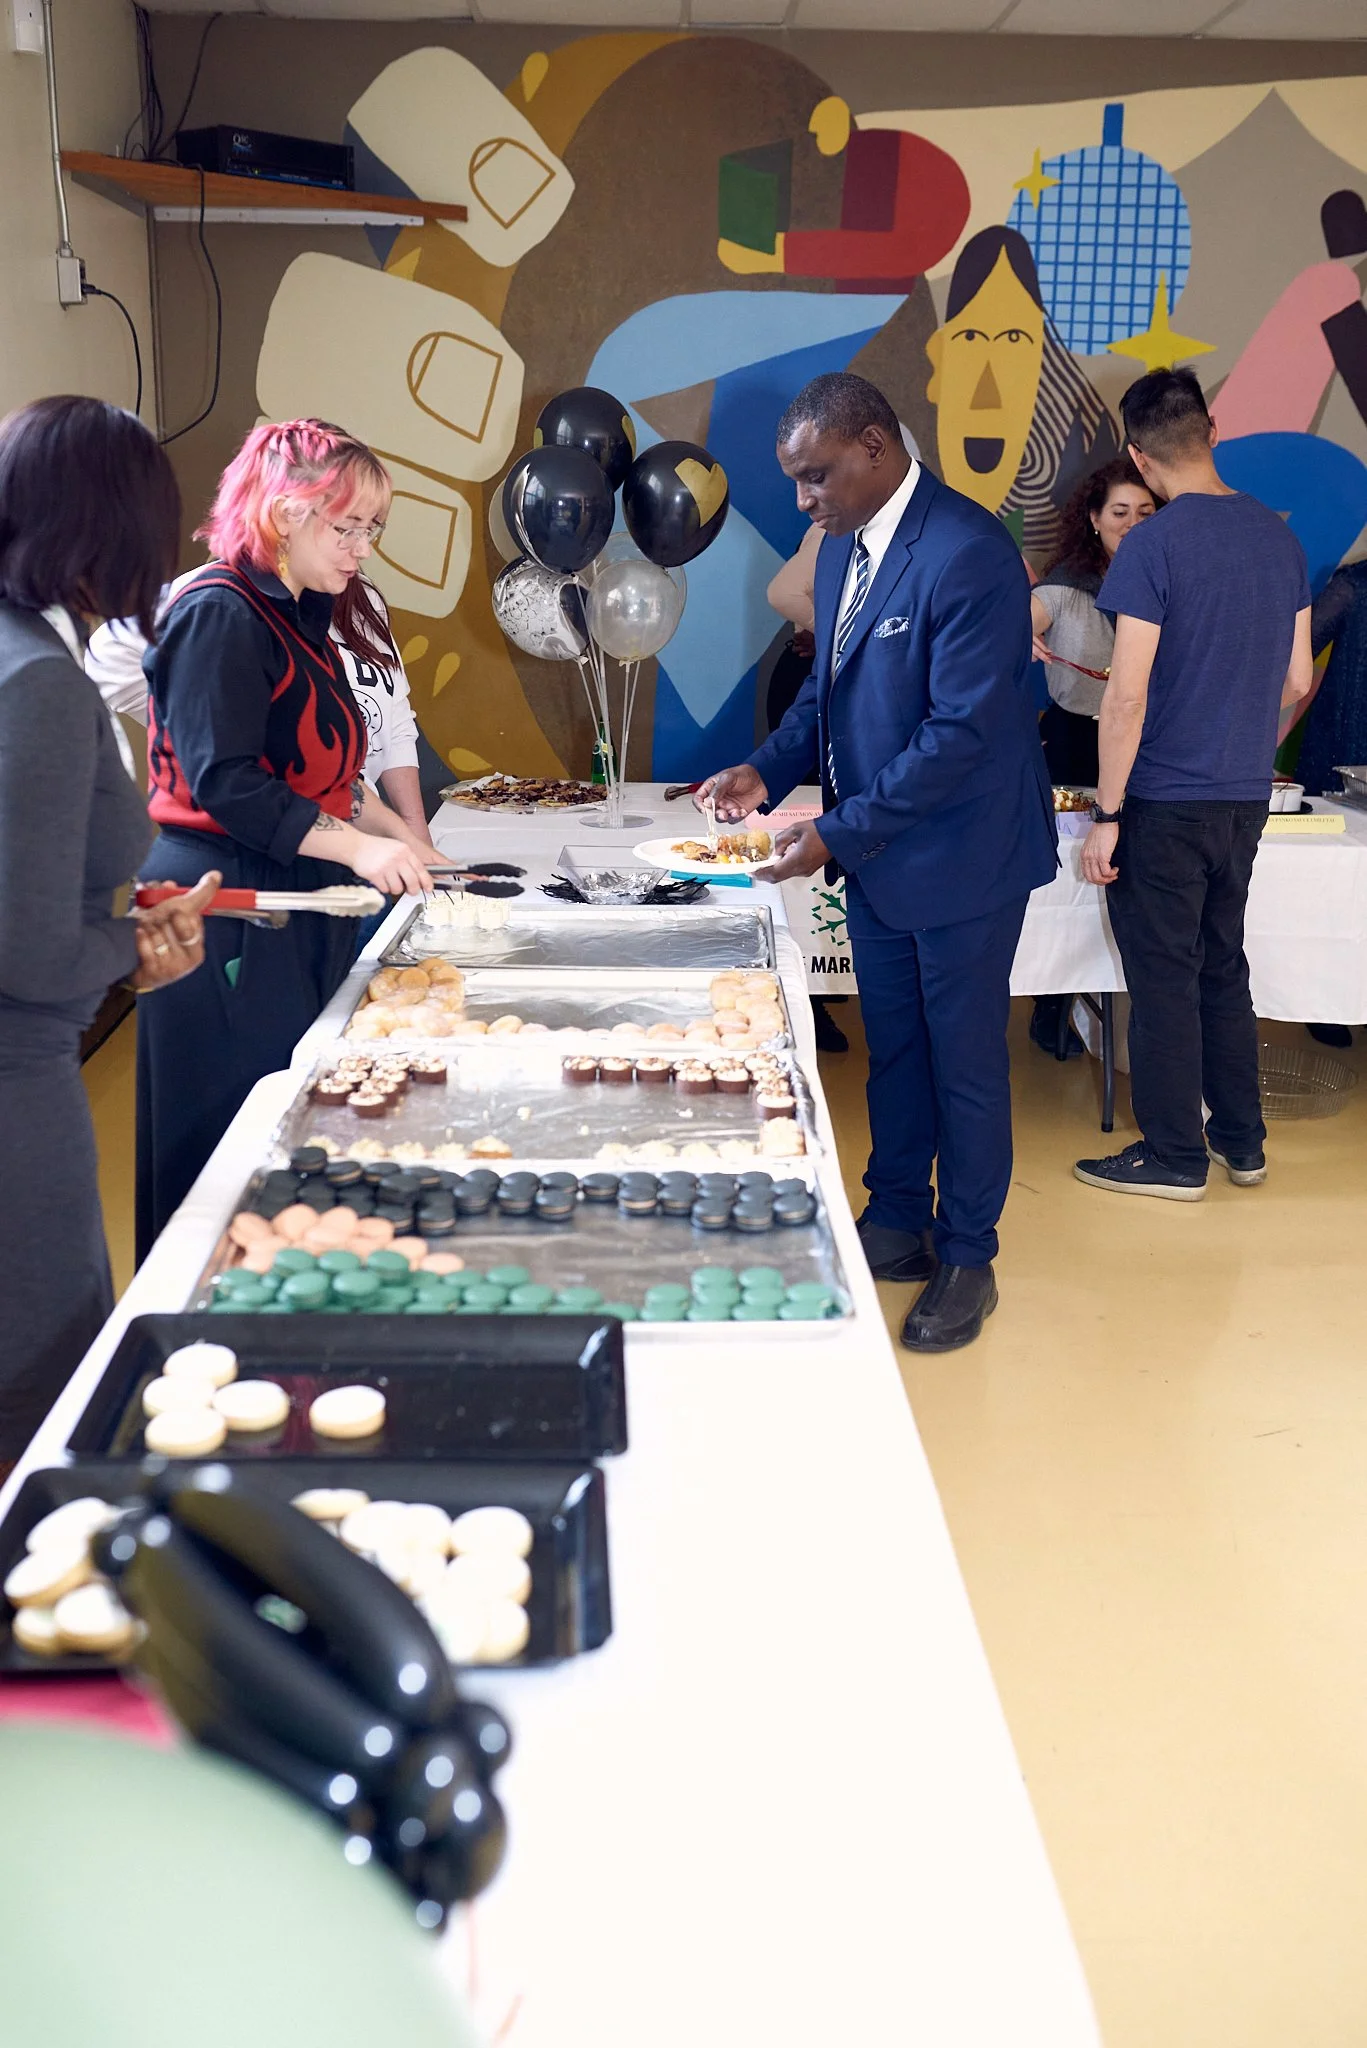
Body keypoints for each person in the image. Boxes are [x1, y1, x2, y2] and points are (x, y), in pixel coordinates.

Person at [701, 371, 1057, 1352]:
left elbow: (960, 734)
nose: (803, 501)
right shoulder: (839, 551)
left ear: (871, 443)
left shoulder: (968, 551)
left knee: (965, 1058)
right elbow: (823, 693)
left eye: (815, 478)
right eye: (795, 483)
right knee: (893, 1046)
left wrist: (837, 833)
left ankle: (966, 1251)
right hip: (880, 853)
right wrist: (762, 770)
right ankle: (896, 1216)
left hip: (964, 855)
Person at [137, 419, 437, 1256]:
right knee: (224, 1148)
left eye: (371, 529)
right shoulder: (216, 611)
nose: (361, 549)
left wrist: (405, 839)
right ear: (280, 512)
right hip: (221, 900)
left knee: (289, 1135)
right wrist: (357, 849)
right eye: (346, 527)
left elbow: (322, 772)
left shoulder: (300, 614)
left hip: (289, 891)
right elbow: (226, 782)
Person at [0, 396, 217, 1457]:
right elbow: (29, 950)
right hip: (17, 1093)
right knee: (42, 1395)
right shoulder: (41, 682)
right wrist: (133, 950)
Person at [1074, 367, 1314, 1200]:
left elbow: (1126, 695)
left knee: (1165, 977)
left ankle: (1175, 1153)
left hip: (1165, 801)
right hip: (1244, 794)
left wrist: (1106, 814)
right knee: (1223, 968)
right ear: (1211, 428)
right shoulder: (1280, 540)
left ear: (1138, 459)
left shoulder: (1152, 544)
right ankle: (1240, 1144)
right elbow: (1293, 680)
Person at [1028, 456, 1157, 1059]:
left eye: (1145, 512)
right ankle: (1052, 1001)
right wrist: (1011, 630)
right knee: (1065, 878)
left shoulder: (1167, 584)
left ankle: (1115, 1006)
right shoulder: (1065, 589)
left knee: (1127, 877)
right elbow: (1015, 620)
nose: (1132, 524)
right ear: (1094, 520)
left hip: (1144, 749)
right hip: (1074, 747)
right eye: (1120, 513)